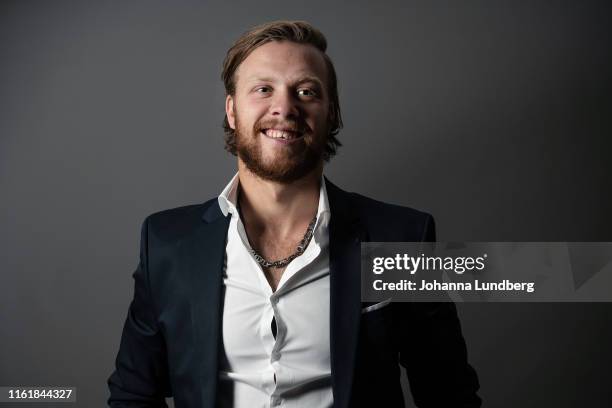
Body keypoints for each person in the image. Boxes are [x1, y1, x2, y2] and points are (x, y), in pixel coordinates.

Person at [108, 20, 481, 408]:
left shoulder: (403, 237)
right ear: (232, 110)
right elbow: (133, 394)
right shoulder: (166, 242)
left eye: (306, 91)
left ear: (331, 114)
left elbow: (449, 393)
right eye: (263, 89)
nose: (284, 107)